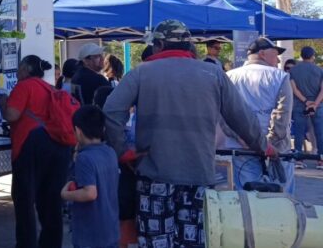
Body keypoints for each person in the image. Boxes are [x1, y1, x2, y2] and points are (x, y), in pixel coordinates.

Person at [104, 19, 272, 248]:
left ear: (159, 44)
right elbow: (242, 118)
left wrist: (122, 151)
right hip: (199, 175)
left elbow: (112, 111)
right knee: (194, 241)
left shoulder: (141, 73)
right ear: (188, 45)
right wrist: (263, 146)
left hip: (155, 176)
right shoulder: (213, 74)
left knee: (156, 242)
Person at [0, 55, 72, 248]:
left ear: (27, 69)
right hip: (57, 145)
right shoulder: (48, 87)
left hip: (30, 144)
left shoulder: (25, 86)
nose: (17, 72)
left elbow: (12, 115)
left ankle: (26, 244)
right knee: (51, 201)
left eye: (20, 67)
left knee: (24, 199)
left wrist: (3, 104)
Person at [222, 37, 294, 193]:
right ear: (262, 54)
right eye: (275, 55)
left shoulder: (229, 76)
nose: (278, 59)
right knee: (283, 198)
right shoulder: (279, 76)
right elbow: (282, 112)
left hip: (242, 148)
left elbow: (223, 115)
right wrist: (268, 144)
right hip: (277, 149)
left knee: (248, 198)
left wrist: (242, 139)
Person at [61, 105, 119, 248]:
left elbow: (90, 193)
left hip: (90, 234)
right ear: (103, 129)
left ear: (78, 131)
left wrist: (65, 194)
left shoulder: (84, 158)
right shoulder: (110, 152)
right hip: (111, 229)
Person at [289, 46, 323, 169]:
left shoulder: (293, 70)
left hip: (299, 104)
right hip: (317, 106)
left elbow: (293, 89)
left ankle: (299, 159)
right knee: (320, 132)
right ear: (313, 56)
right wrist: (315, 103)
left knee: (299, 132)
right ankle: (321, 159)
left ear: (301, 56)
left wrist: (306, 101)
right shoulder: (320, 70)